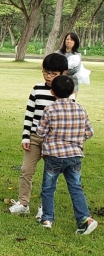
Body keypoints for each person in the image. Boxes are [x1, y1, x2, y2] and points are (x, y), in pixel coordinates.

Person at [8, 53, 68, 216]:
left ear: (64, 73)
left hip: (54, 141)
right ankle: (23, 203)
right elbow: (29, 114)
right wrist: (26, 136)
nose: (48, 77)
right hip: (35, 138)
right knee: (26, 170)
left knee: (50, 175)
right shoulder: (37, 89)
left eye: (53, 74)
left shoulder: (66, 93)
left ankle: (44, 207)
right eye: (45, 72)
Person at [35, 75, 97, 234]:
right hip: (75, 156)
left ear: (52, 92)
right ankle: (85, 218)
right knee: (76, 187)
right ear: (73, 91)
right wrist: (76, 139)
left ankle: (47, 218)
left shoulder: (50, 109)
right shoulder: (81, 108)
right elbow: (89, 132)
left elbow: (40, 132)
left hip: (54, 156)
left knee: (48, 187)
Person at [59, 32, 84, 99]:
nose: (68, 41)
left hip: (72, 83)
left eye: (71, 40)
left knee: (70, 104)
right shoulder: (58, 53)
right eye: (67, 39)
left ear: (75, 42)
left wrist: (62, 71)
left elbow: (75, 69)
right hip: (59, 82)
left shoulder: (77, 55)